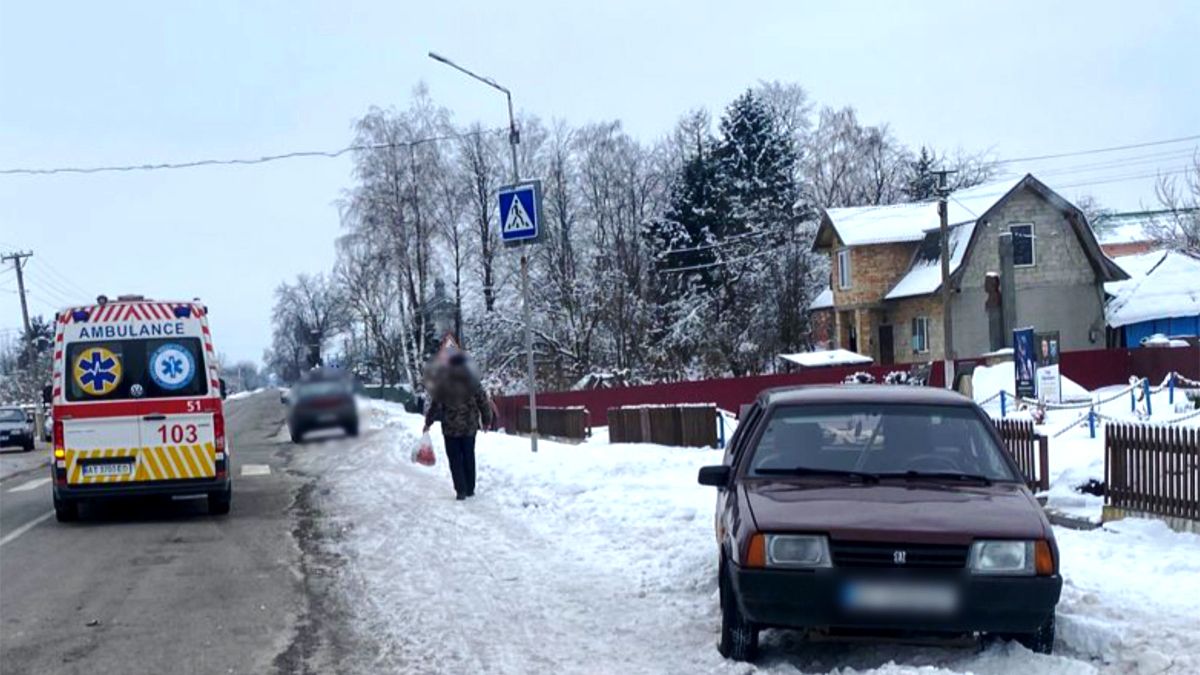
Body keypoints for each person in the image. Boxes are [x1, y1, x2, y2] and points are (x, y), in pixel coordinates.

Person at [423, 352, 493, 500]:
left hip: (450, 429)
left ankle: (461, 490)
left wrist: (428, 422)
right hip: (469, 428)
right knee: (468, 456)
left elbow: (435, 405)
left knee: (455, 459)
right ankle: (470, 488)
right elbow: (483, 402)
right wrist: (487, 420)